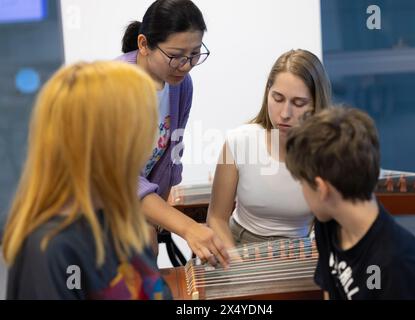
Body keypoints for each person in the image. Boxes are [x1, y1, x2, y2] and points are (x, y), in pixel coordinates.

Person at [2, 61, 172, 300]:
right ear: (107, 141)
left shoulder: (121, 224)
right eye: (142, 127)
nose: (150, 142)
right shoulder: (51, 250)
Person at [285, 107, 415, 300]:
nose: (302, 191)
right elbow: (330, 290)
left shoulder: (399, 263)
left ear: (321, 188)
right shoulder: (328, 222)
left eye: (302, 183)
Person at [117, 0, 228, 265]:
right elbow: (118, 177)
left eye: (195, 54)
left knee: (146, 251)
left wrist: (154, 221)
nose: (186, 65)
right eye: (176, 55)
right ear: (143, 44)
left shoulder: (181, 86)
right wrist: (187, 228)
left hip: (135, 202)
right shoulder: (114, 88)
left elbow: (168, 158)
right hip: (95, 203)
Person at [207, 49, 332, 249]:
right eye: (278, 98)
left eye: (299, 103)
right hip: (239, 245)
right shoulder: (239, 141)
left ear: (316, 104)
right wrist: (235, 264)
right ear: (267, 93)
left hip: (298, 252)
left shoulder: (329, 155)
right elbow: (216, 218)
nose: (285, 113)